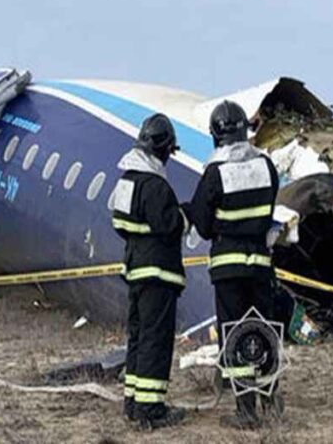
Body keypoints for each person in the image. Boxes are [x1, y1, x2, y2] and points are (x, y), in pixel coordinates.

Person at [184, 101, 282, 429]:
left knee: (236, 333)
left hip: (228, 267)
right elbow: (269, 211)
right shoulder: (265, 166)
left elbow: (202, 222)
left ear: (215, 135)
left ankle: (246, 410)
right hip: (260, 264)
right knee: (264, 329)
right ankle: (271, 398)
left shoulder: (215, 172)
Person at [111, 114, 187, 430]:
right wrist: (184, 214)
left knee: (139, 337)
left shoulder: (126, 181)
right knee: (156, 339)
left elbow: (119, 224)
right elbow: (170, 226)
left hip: (136, 270)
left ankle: (132, 402)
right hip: (158, 275)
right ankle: (151, 409)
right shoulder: (155, 185)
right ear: (163, 149)